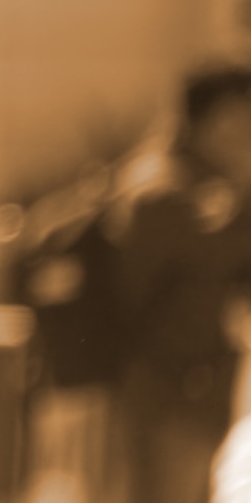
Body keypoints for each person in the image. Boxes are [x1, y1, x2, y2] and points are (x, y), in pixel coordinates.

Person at [103, 64, 251, 503]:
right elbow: (131, 294)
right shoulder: (165, 191)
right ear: (205, 121)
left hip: (194, 393)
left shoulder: (211, 189)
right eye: (238, 118)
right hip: (168, 394)